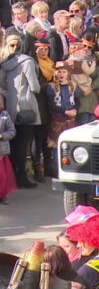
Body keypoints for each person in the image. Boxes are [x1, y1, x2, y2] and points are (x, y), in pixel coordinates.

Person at [0, 31, 41, 188]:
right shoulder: (27, 62)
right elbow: (35, 87)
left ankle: (11, 177)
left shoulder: (6, 63)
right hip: (26, 107)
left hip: (11, 106)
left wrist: (10, 95)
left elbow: (2, 86)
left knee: (13, 144)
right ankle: (22, 178)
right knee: (24, 145)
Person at [0, 92, 16, 203]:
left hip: (1, 151)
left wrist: (2, 136)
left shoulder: (4, 115)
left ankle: (2, 194)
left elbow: (12, 131)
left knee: (2, 175)